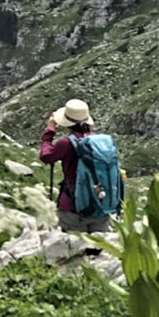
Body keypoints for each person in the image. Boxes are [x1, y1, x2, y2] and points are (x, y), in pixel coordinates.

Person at [39, 98, 112, 233]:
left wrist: (50, 130)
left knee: (76, 250)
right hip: (101, 208)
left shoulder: (66, 143)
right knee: (100, 250)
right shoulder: (101, 142)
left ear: (67, 124)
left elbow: (46, 156)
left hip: (73, 209)